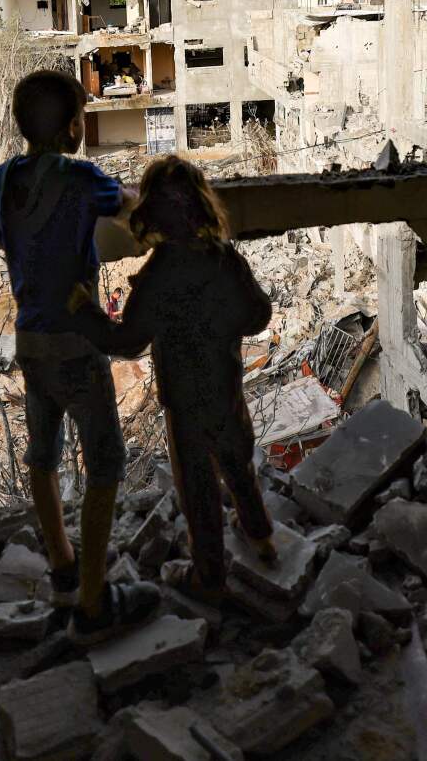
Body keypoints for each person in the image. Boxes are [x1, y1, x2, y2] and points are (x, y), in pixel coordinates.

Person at [0, 68, 160, 642]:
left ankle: (62, 566)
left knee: (43, 454)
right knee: (104, 460)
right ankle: (93, 600)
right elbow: (131, 209)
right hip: (76, 344)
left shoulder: (2, 179)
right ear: (70, 129)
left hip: (29, 341)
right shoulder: (83, 178)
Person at [116, 156, 278, 602]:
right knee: (238, 464)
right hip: (225, 386)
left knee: (198, 490)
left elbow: (129, 342)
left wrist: (84, 316)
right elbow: (258, 315)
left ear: (150, 213)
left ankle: (209, 576)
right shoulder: (223, 259)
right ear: (202, 205)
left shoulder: (156, 275)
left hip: (183, 400)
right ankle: (260, 537)